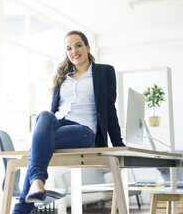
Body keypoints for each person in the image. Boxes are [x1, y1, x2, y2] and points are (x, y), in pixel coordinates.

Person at [12, 30, 125, 214]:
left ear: (88, 48)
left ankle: (24, 203)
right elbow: (54, 110)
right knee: (44, 115)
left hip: (84, 130)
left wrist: (118, 144)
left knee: (36, 147)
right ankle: (36, 184)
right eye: (69, 48)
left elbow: (109, 108)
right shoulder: (62, 77)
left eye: (78, 45)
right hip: (58, 123)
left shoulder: (104, 71)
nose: (74, 51)